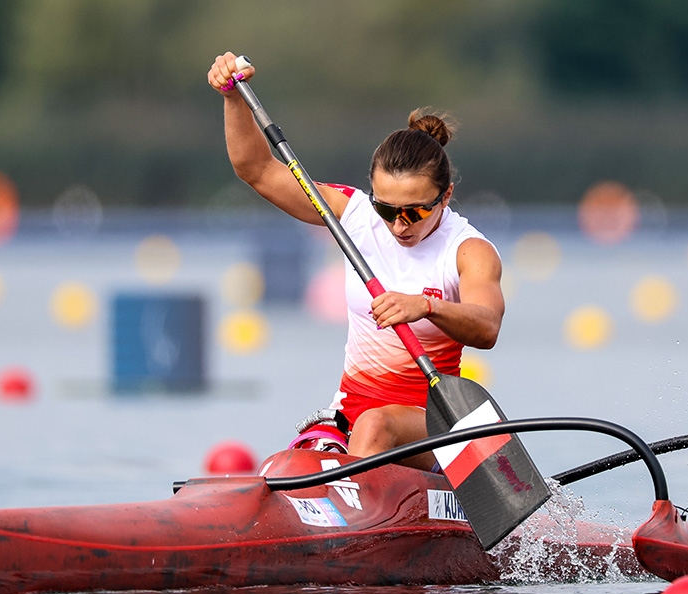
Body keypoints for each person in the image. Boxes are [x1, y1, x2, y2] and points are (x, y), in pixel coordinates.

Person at [208, 52, 506, 471]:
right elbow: (256, 168)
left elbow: (487, 326)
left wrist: (427, 306)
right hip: (347, 418)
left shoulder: (468, 250)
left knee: (375, 427)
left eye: (416, 212)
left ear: (447, 196)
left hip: (435, 426)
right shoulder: (351, 215)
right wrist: (232, 98)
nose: (399, 225)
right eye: (387, 209)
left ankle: (353, 507)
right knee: (285, 465)